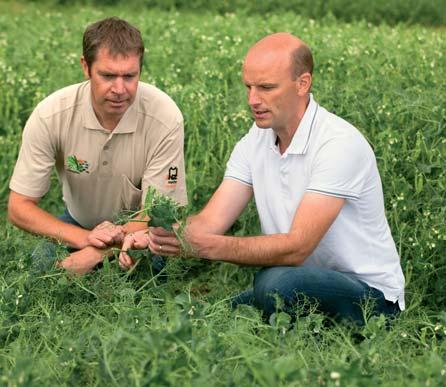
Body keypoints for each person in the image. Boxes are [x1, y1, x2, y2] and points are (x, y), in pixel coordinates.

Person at [119, 33, 404, 324]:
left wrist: (207, 246)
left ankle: (318, 324)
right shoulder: (255, 140)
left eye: (266, 88)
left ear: (302, 84)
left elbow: (297, 247)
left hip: (370, 296)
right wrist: (160, 236)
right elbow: (210, 221)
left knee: (275, 285)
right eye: (249, 87)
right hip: (298, 276)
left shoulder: (338, 143)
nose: (253, 100)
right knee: (213, 315)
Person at [8, 17, 187, 274]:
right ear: (86, 66)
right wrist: (84, 239)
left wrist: (95, 254)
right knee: (40, 269)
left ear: (140, 70)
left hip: (142, 233)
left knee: (146, 274)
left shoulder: (165, 117)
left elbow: (160, 211)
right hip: (79, 223)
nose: (119, 88)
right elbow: (18, 207)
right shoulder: (51, 115)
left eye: (129, 76)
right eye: (107, 75)